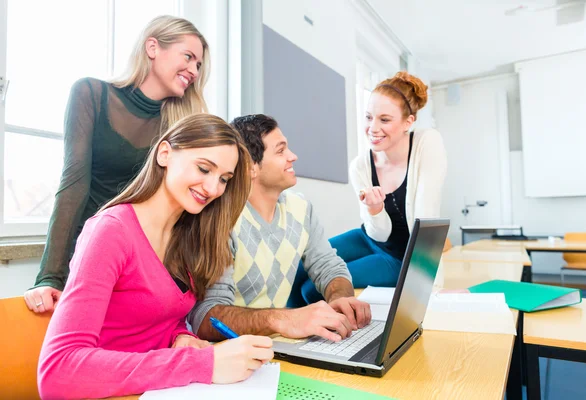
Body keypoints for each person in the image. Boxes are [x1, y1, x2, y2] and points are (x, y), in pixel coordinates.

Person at [37, 114, 274, 399]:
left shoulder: (185, 235)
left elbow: (155, 319)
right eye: (203, 168)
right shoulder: (110, 232)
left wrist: (179, 336)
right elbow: (57, 372)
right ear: (164, 154)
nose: (213, 189)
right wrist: (202, 363)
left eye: (224, 179)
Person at [25, 15, 211, 313]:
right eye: (188, 57)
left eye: (199, 65)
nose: (194, 70)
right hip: (89, 255)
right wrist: (49, 276)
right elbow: (73, 185)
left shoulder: (180, 127)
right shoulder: (91, 94)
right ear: (153, 47)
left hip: (145, 265)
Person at [189, 114, 372, 344]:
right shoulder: (222, 219)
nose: (293, 156)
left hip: (280, 346)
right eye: (280, 150)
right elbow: (206, 317)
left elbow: (329, 267)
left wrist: (341, 299)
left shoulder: (302, 209)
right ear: (250, 167)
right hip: (232, 354)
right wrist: (284, 319)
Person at [299, 71, 447, 304]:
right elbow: (378, 233)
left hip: (399, 259)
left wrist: (430, 286)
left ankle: (311, 333)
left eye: (385, 120)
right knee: (301, 266)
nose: (372, 128)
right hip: (369, 238)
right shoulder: (360, 166)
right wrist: (375, 210)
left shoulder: (427, 143)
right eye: (369, 117)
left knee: (313, 289)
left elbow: (426, 219)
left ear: (408, 122)